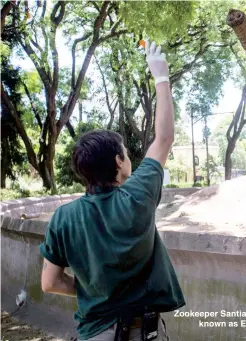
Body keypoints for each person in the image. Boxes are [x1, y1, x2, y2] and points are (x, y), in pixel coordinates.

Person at [39, 41, 184, 341]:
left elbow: (49, 283)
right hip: (141, 333)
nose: (130, 158)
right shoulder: (137, 195)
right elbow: (165, 138)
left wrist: (89, 290)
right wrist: (161, 76)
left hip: (94, 334)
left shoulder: (63, 218)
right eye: (127, 154)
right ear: (119, 162)